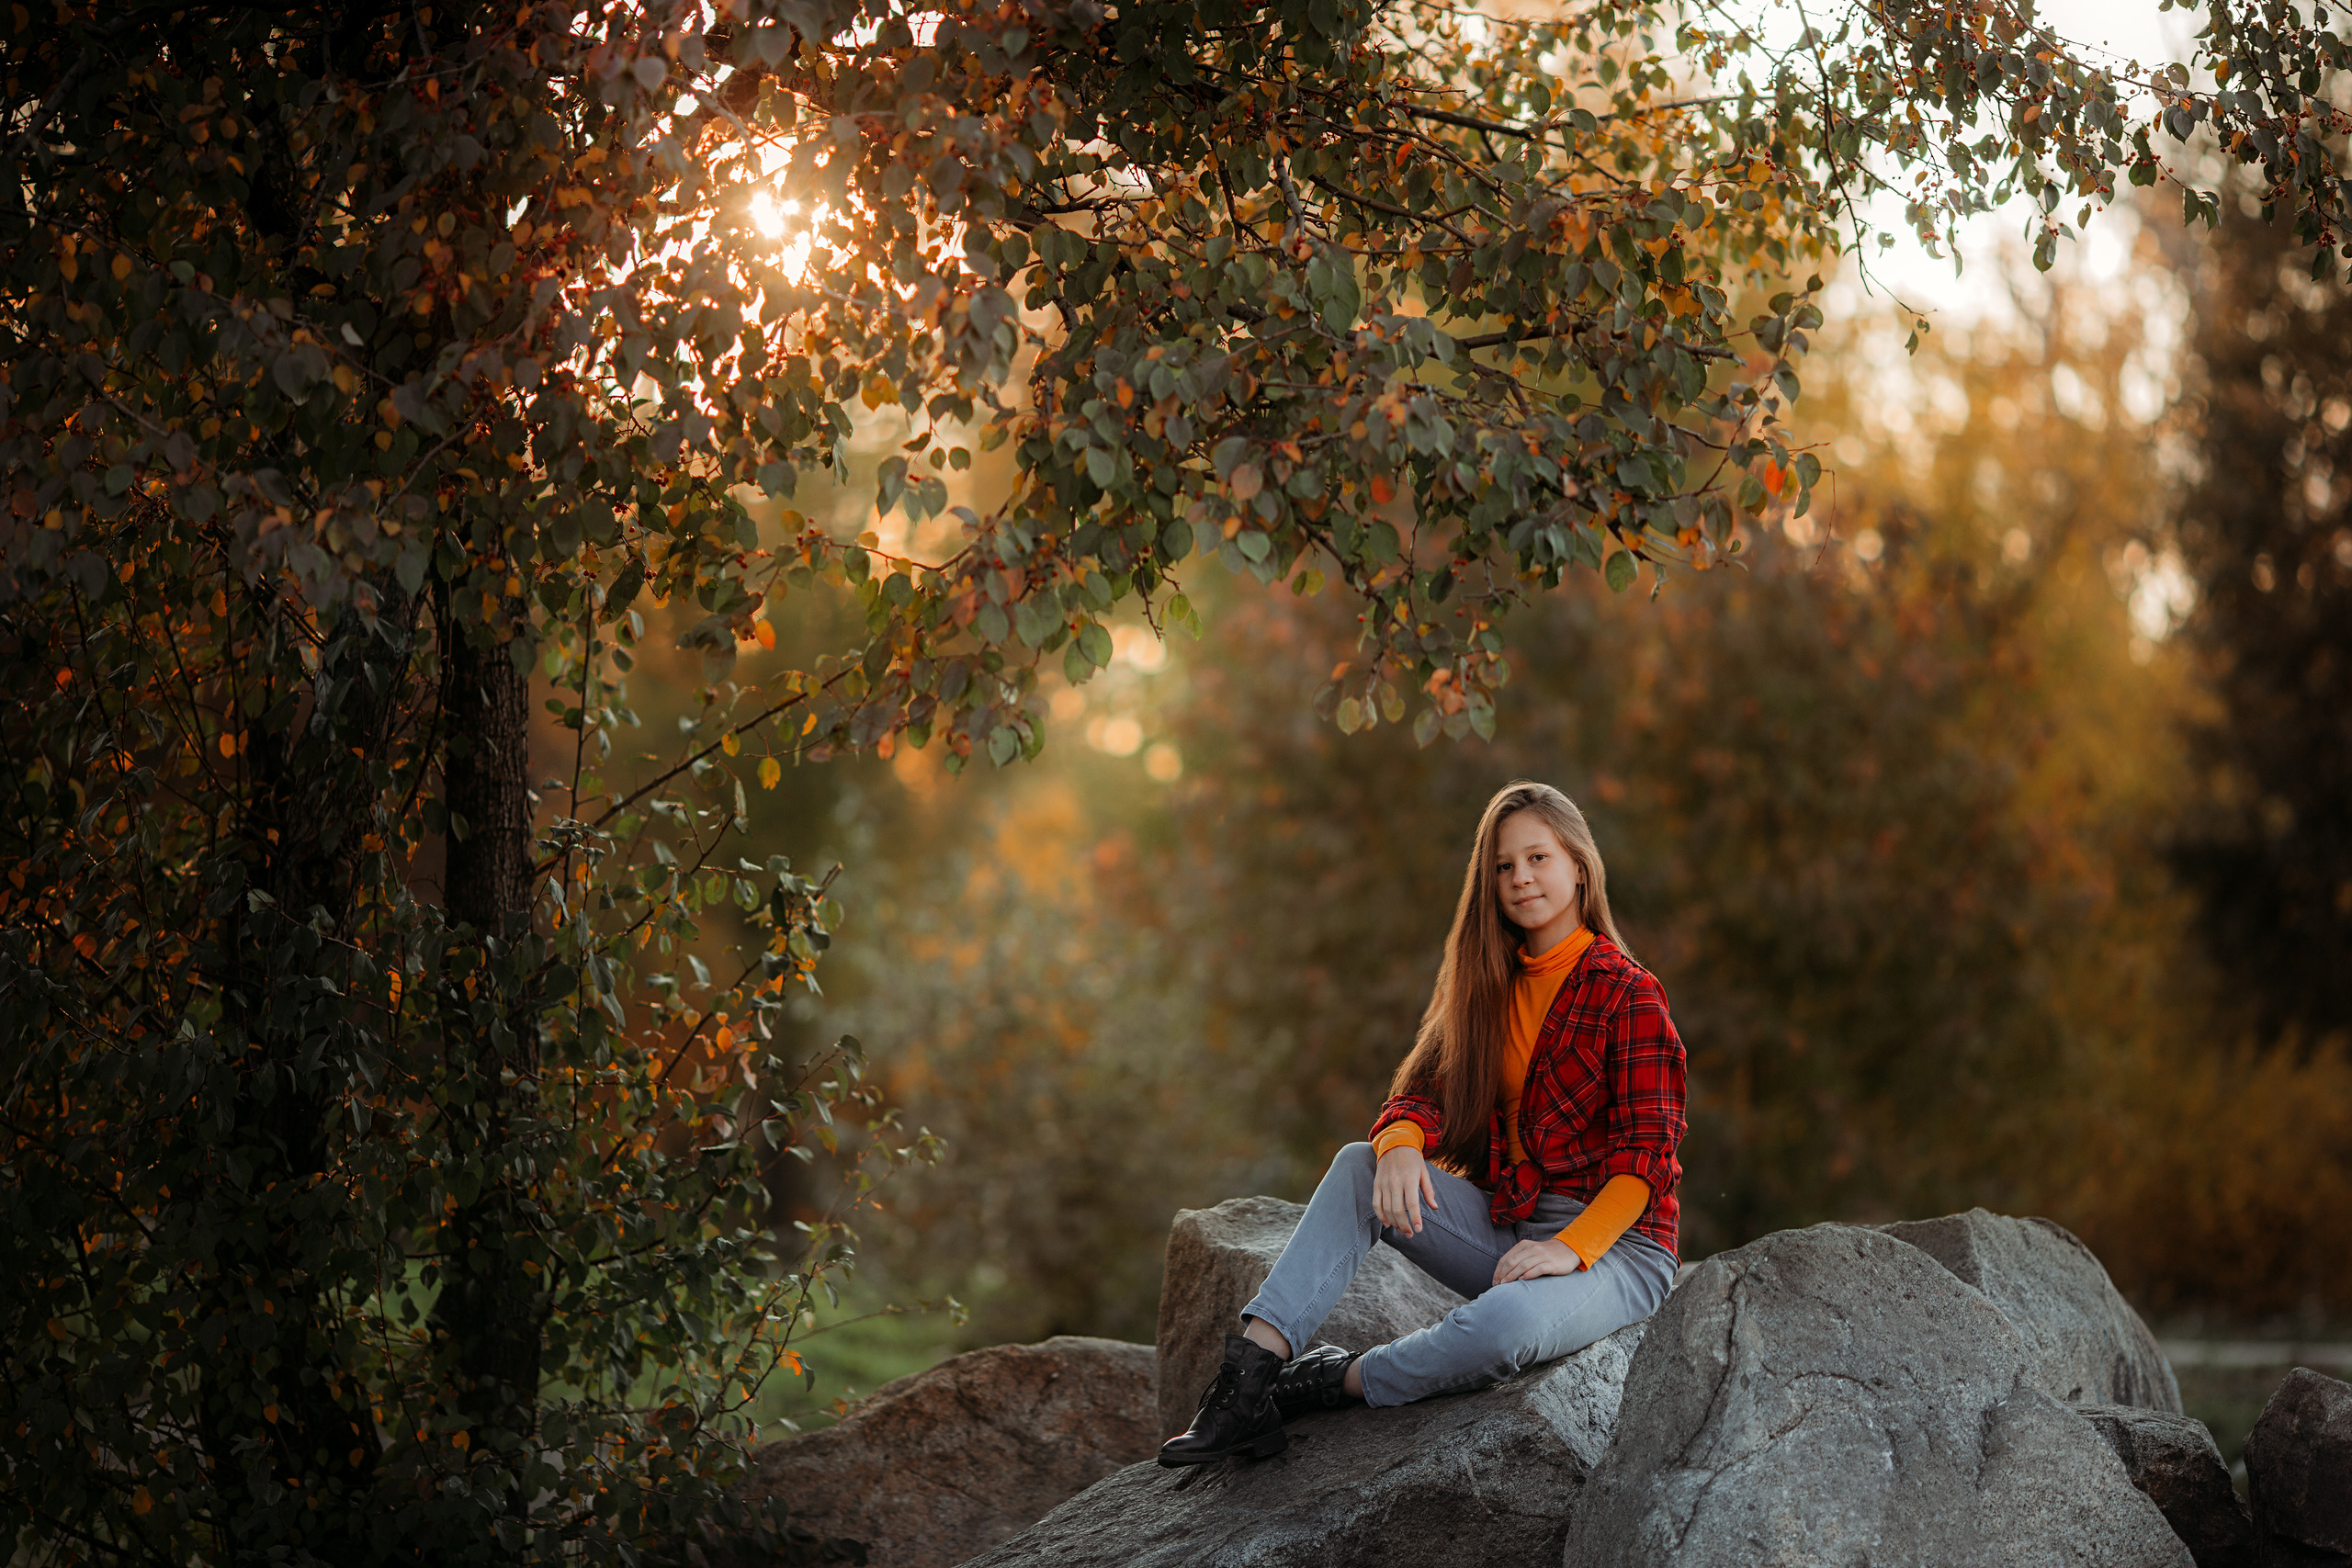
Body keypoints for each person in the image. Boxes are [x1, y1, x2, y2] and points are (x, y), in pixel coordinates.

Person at [1159, 780, 1688, 1465]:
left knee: (1504, 1327)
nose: (1521, 878)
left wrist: (1570, 1247)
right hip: (1515, 1223)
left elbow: (1649, 1156)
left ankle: (1336, 1377)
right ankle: (1243, 1389)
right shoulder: (1487, 984)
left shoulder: (1629, 991)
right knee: (1360, 1162)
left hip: (1621, 1249)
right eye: (1504, 866)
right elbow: (1420, 1095)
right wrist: (1402, 1145)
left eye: (1538, 858)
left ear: (1579, 867)